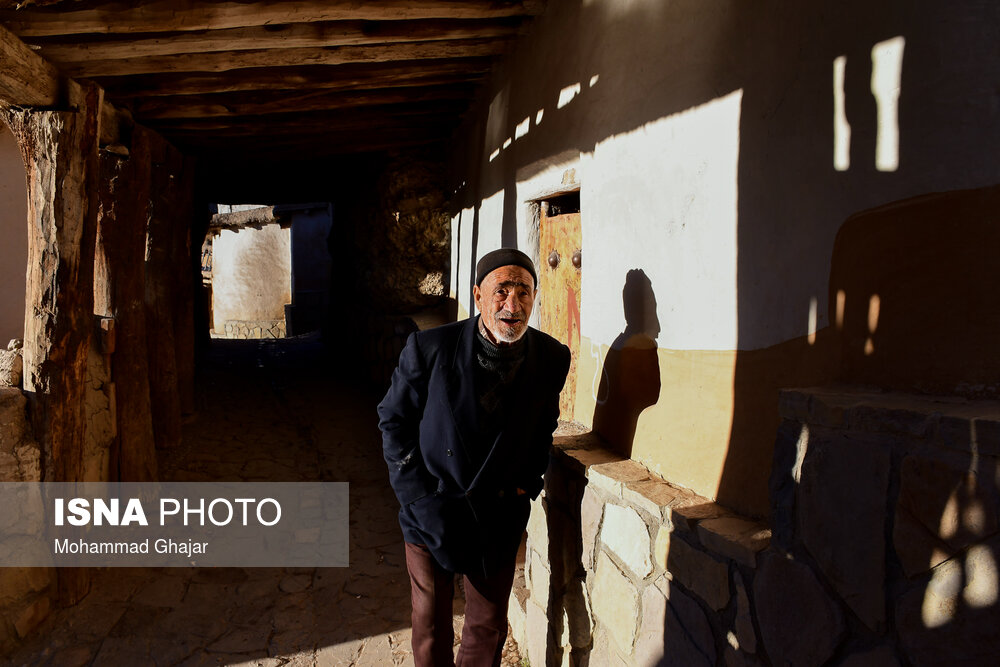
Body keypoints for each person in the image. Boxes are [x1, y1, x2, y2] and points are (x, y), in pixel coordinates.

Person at [378, 248, 570, 667]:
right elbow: (393, 420)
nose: (512, 304)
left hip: (498, 510)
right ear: (478, 295)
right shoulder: (431, 348)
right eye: (501, 290)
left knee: (487, 625)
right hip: (431, 507)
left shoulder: (552, 358)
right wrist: (416, 496)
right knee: (430, 623)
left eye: (524, 291)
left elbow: (543, 425)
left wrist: (527, 483)